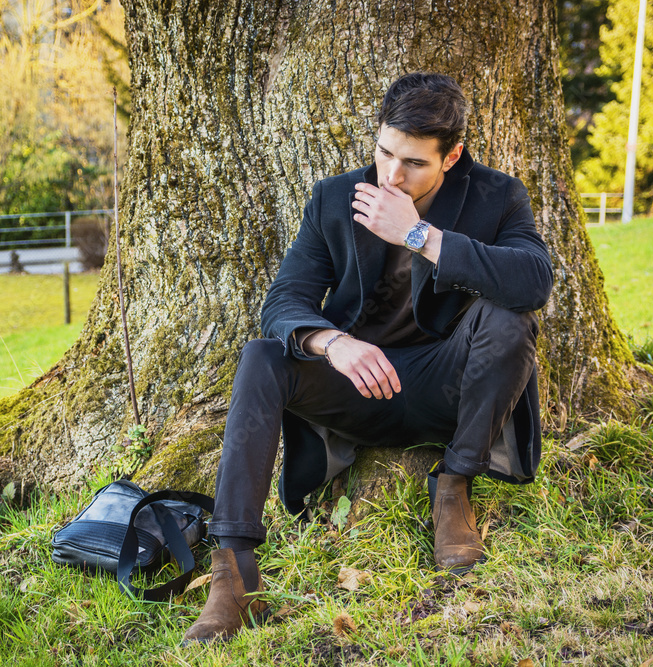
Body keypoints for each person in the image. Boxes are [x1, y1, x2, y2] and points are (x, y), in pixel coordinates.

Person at [182, 72, 554, 644]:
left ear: (451, 156)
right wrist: (333, 342)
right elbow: (284, 301)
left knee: (510, 318)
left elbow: (533, 283)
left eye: (413, 163)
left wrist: (419, 235)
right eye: (383, 152)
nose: (391, 175)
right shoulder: (335, 198)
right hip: (358, 382)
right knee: (262, 357)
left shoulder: (496, 196)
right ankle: (234, 574)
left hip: (448, 386)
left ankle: (453, 486)